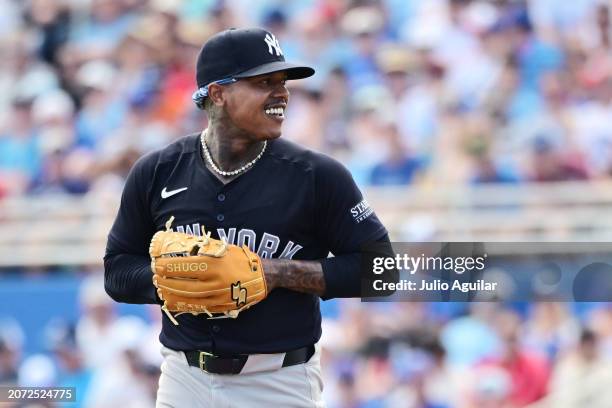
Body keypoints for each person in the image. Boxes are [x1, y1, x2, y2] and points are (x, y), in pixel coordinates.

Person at [104, 27, 391, 407]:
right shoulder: (158, 171)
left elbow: (382, 270)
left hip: (279, 379)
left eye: (283, 82)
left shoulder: (317, 175)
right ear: (218, 94)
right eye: (264, 82)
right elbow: (117, 270)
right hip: (185, 376)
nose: (282, 94)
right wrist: (178, 279)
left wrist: (276, 273)